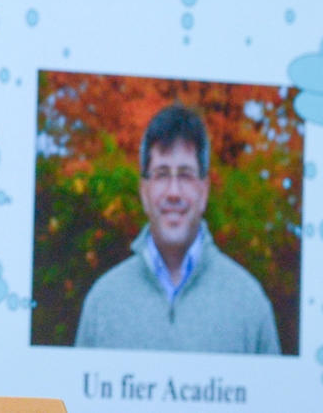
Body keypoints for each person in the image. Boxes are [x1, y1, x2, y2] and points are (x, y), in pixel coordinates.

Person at [74, 104, 279, 354]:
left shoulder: (249, 303)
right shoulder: (103, 303)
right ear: (144, 191)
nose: (173, 192)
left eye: (185, 175)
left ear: (204, 191)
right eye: (161, 174)